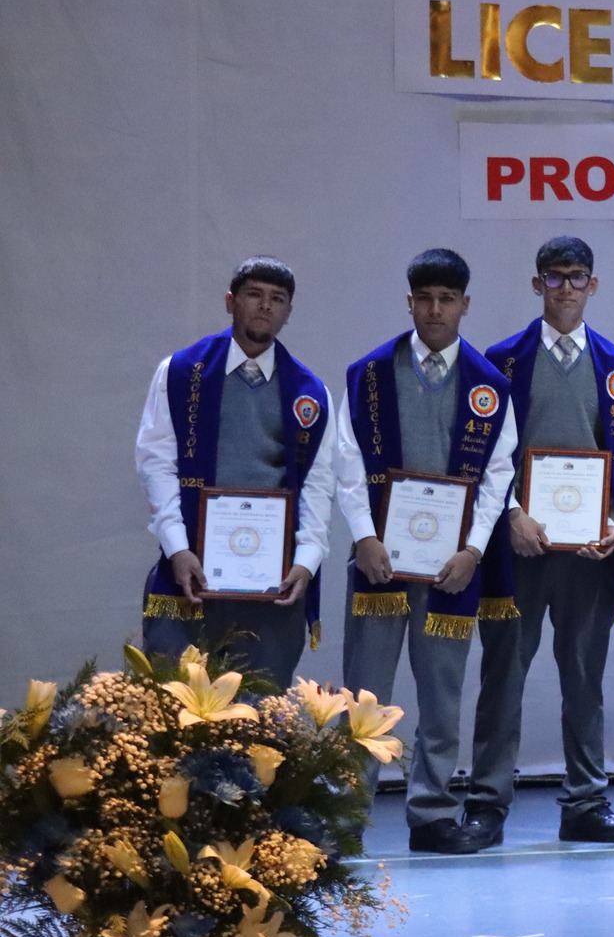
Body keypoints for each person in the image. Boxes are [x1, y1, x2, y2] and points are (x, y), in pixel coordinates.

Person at [334, 248, 518, 854]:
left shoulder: (490, 385)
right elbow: (347, 461)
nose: (435, 310)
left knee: (442, 696)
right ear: (409, 301)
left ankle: (433, 814)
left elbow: (498, 475)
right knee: (364, 697)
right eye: (425, 298)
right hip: (379, 563)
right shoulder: (367, 374)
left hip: (449, 570)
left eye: (447, 299)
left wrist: (471, 550)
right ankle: (345, 819)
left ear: (466, 304)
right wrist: (362, 535)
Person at [466, 237, 614, 847]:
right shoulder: (502, 360)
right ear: (536, 284)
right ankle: (487, 803)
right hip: (518, 548)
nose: (565, 288)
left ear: (593, 285)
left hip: (588, 556)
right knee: (503, 678)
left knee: (583, 679)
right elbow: (488, 455)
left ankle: (586, 803)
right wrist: (512, 514)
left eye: (576, 278)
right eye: (554, 277)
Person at [134, 257, 338, 687]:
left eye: (277, 299)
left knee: (258, 718)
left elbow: (318, 485)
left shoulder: (311, 393)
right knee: (172, 712)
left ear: (288, 312)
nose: (265, 306)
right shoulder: (179, 373)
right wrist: (177, 548)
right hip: (190, 567)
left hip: (272, 579)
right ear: (231, 302)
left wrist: (306, 561)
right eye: (254, 295)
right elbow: (156, 462)